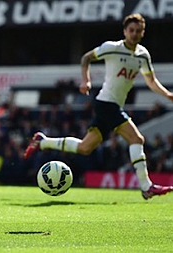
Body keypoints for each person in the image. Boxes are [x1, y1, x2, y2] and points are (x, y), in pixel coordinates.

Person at [24, 13, 173, 200]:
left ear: (143, 33)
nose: (134, 34)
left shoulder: (143, 55)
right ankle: (146, 186)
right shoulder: (112, 48)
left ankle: (43, 141)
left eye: (138, 31)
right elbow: (86, 58)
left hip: (113, 105)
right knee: (137, 139)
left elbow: (151, 81)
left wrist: (167, 95)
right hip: (105, 103)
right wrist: (86, 81)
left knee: (85, 148)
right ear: (125, 31)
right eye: (131, 30)